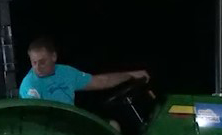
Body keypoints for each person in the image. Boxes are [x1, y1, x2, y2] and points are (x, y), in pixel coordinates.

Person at [18, 36, 149, 105]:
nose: (37, 67)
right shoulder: (30, 86)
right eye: (34, 62)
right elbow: (36, 117)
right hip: (52, 131)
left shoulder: (66, 72)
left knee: (113, 126)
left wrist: (130, 75)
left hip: (72, 124)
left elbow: (101, 81)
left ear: (53, 57)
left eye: (42, 62)